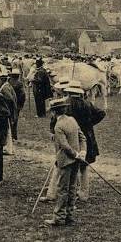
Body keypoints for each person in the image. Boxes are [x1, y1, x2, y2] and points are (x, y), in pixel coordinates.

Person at [44, 97, 87, 227]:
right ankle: (69, 216)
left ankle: (58, 218)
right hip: (76, 160)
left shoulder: (58, 126)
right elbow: (82, 137)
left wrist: (75, 154)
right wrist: (82, 152)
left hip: (66, 161)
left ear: (54, 112)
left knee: (63, 189)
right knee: (72, 188)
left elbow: (64, 145)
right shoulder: (72, 120)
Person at [65, 83, 106, 201]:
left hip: (72, 138)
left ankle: (72, 191)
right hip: (87, 138)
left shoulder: (66, 104)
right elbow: (101, 113)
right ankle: (83, 193)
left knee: (71, 166)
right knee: (84, 166)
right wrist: (90, 123)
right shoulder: (87, 104)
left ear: (69, 92)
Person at [9, 69, 27, 141]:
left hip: (9, 104)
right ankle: (14, 135)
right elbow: (22, 95)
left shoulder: (9, 82)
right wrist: (21, 104)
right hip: (16, 104)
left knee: (9, 120)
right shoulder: (19, 83)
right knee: (15, 120)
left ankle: (11, 135)